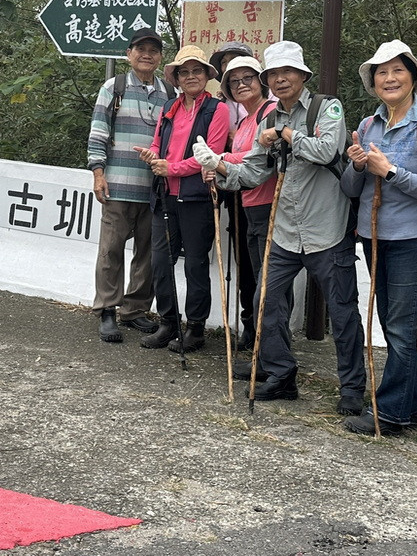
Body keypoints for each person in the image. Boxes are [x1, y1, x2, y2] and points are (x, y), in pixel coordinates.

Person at [193, 41, 366, 415]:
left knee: (342, 311)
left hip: (328, 229)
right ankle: (281, 374)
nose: (280, 79)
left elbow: (326, 151)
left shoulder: (326, 107)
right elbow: (254, 172)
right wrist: (218, 166)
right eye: (274, 74)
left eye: (287, 72)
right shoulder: (269, 121)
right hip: (285, 230)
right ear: (268, 80)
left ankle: (352, 388)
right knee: (264, 303)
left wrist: (286, 136)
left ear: (303, 76)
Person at [338, 41, 417, 436]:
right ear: (373, 83)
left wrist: (389, 171)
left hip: (413, 239)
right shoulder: (369, 125)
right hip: (374, 236)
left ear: (412, 77)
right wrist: (357, 165)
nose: (389, 78)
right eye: (381, 72)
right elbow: (353, 189)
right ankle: (413, 403)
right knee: (392, 324)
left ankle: (388, 412)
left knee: (401, 328)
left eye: (397, 70)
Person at [136, 45, 229, 353]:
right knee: (161, 262)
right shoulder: (169, 108)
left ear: (206, 76)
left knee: (196, 265)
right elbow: (158, 142)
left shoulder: (217, 110)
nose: (191, 77)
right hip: (165, 195)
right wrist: (153, 156)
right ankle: (168, 322)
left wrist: (170, 167)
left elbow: (209, 156)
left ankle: (196, 329)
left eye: (196, 71)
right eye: (184, 72)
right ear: (176, 78)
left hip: (197, 198)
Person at [86, 31, 174, 343]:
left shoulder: (170, 92)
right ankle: (108, 309)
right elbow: (98, 133)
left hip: (154, 188)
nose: (147, 55)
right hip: (117, 185)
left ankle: (135, 310)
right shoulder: (114, 87)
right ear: (129, 54)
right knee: (110, 249)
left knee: (148, 254)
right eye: (141, 49)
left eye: (153, 50)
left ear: (160, 57)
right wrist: (98, 174)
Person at [203, 55, 276, 351]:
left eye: (248, 78)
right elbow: (237, 164)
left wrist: (220, 160)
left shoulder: (270, 113)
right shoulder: (246, 119)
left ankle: (271, 353)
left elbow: (256, 160)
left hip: (272, 204)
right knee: (256, 277)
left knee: (270, 283)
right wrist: (217, 166)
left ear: (261, 80)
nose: (242, 85)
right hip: (249, 204)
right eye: (234, 81)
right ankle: (262, 346)